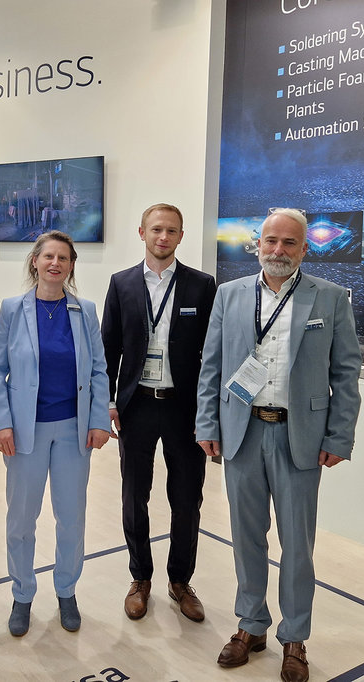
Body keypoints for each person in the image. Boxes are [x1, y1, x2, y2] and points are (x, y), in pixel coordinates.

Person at [196, 208, 360, 682]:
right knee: (246, 536)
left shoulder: (329, 298)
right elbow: (211, 366)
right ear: (258, 245)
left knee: (297, 545)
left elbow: (346, 373)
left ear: (305, 248)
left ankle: (294, 636)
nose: (278, 250)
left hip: (299, 437)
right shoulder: (229, 295)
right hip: (242, 433)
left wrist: (340, 435)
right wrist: (207, 424)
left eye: (289, 242)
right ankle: (251, 625)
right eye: (271, 241)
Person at [0, 230, 110, 637]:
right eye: (48, 257)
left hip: (73, 430)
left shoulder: (84, 311)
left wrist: (99, 419)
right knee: (22, 519)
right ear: (35, 262)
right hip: (25, 431)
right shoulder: (13, 309)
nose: (55, 263)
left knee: (71, 518)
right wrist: (1, 423)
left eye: (63, 258)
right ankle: (22, 593)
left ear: (72, 265)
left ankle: (66, 591)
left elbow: (98, 370)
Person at [101, 203, 216, 622]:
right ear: (142, 233)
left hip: (185, 408)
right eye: (156, 230)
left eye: (171, 230)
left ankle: (180, 580)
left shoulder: (202, 285)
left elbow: (213, 353)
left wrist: (211, 411)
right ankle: (140, 578)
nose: (163, 237)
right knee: (135, 495)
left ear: (181, 236)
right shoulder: (122, 283)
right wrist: (108, 401)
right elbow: (108, 348)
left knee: (186, 499)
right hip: (137, 405)